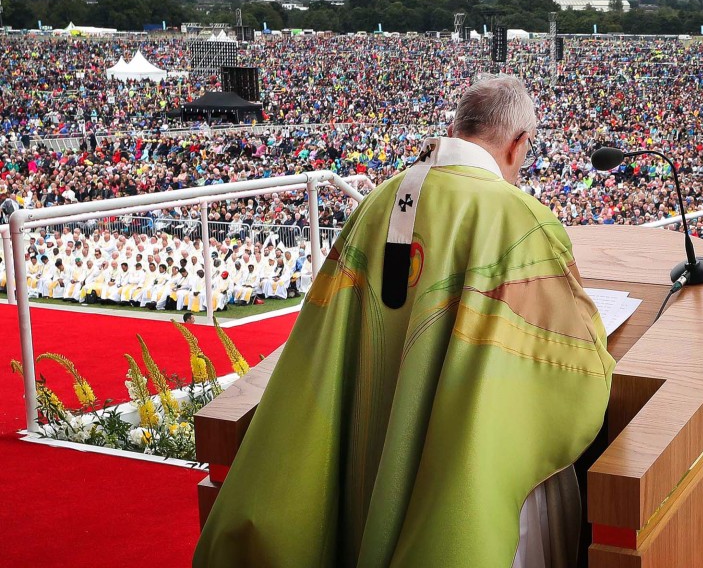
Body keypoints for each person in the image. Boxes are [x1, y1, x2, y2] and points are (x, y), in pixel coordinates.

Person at [195, 74, 616, 568]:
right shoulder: (520, 218)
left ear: (459, 126)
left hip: (365, 447)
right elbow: (579, 357)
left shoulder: (378, 200)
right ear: (517, 144)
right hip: (458, 457)